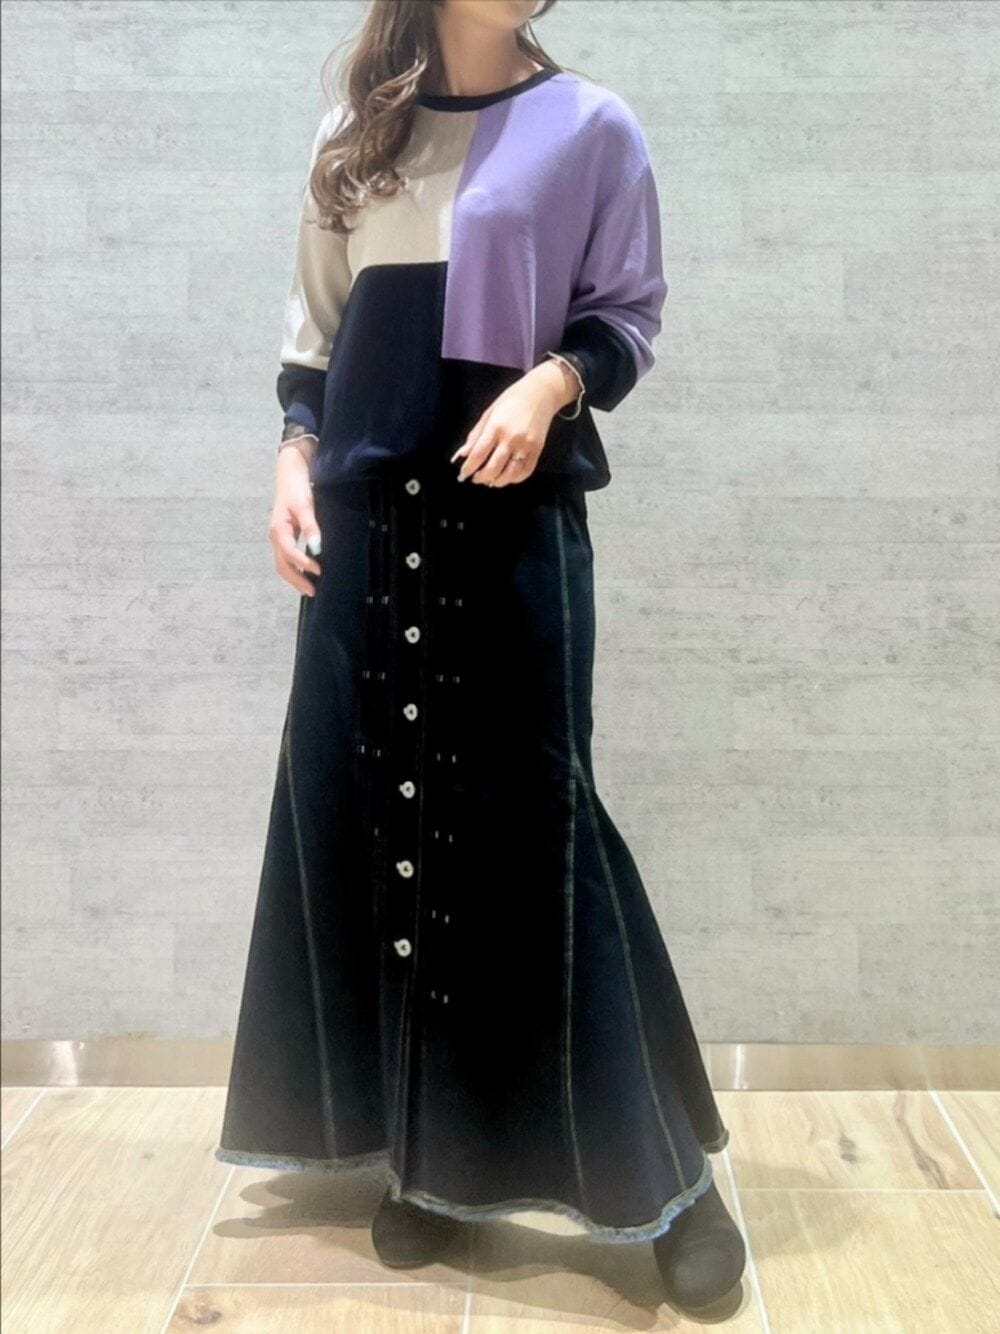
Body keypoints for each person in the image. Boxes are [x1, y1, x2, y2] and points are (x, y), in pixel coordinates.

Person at [215, 0, 746, 1315]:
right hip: (363, 530)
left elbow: (625, 315)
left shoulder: (586, 126)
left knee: (538, 829)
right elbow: (314, 342)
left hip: (507, 525)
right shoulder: (357, 135)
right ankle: (427, 1159)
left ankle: (671, 1184)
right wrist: (290, 466)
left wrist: (549, 382)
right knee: (382, 824)